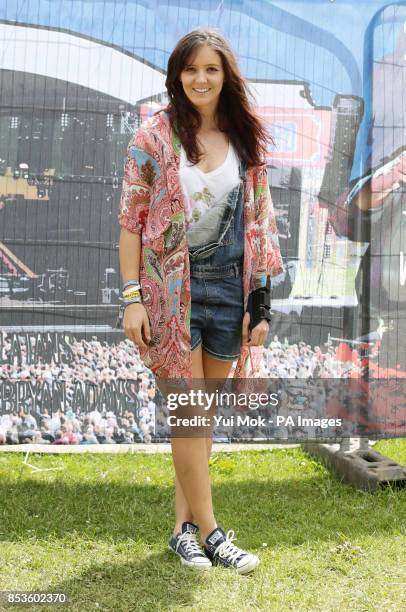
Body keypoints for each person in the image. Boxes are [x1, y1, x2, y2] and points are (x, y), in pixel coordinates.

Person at [118, 28, 282, 574]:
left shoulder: (245, 137)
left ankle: (181, 531)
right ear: (177, 75)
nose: (200, 79)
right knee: (186, 412)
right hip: (171, 290)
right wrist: (131, 298)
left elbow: (261, 223)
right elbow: (131, 223)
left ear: (225, 75)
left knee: (201, 419)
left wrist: (258, 304)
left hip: (229, 288)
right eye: (191, 70)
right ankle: (213, 534)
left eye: (211, 69)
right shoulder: (153, 137)